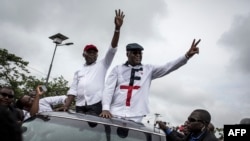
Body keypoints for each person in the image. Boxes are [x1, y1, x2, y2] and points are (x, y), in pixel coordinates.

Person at [100, 39, 201, 122]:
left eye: (140, 53)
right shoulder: (117, 69)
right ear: (127, 54)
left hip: (136, 115)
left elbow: (168, 67)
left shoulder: (149, 69)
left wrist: (186, 56)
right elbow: (108, 89)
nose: (138, 55)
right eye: (135, 53)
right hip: (115, 113)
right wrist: (105, 108)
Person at [63, 9, 125, 115]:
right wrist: (66, 106)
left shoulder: (103, 64)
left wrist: (117, 29)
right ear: (84, 54)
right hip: (80, 105)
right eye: (89, 52)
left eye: (94, 52)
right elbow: (73, 89)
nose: (93, 54)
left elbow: (112, 49)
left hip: (95, 104)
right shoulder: (79, 71)